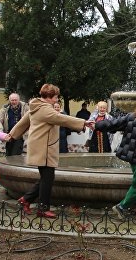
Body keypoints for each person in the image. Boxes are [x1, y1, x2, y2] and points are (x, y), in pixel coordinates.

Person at [8, 84, 90, 218]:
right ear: (49, 97)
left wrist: (12, 135)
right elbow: (61, 118)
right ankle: (42, 208)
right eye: (56, 97)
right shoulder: (45, 109)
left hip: (41, 147)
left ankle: (26, 200)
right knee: (47, 178)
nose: (57, 99)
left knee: (46, 178)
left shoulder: (36, 106)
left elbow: (24, 121)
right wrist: (83, 123)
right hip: (44, 148)